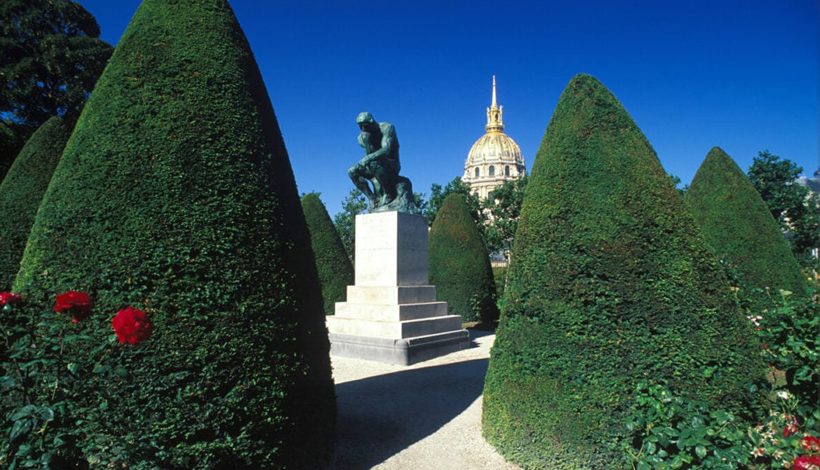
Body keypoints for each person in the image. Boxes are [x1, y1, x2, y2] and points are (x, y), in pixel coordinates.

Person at [348, 112, 416, 213]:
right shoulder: (362, 137)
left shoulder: (387, 128)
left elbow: (386, 149)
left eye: (365, 125)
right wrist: (366, 140)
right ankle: (372, 199)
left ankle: (388, 194)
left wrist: (368, 158)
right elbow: (368, 152)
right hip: (373, 165)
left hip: (391, 164)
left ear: (372, 122)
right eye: (360, 126)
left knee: (374, 161)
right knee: (352, 171)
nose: (363, 128)